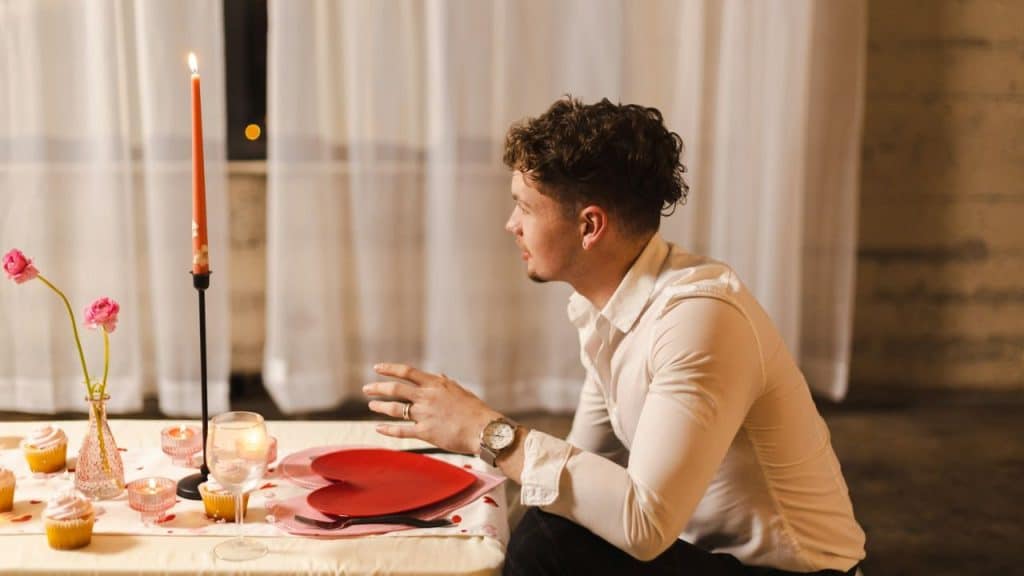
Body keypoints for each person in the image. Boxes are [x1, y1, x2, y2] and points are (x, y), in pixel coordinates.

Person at [363, 97, 866, 575]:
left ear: (590, 226)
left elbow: (643, 525)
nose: (510, 223)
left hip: (792, 574)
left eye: (525, 207)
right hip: (703, 559)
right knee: (551, 520)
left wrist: (485, 431)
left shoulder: (698, 319)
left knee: (550, 541)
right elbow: (579, 474)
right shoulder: (603, 306)